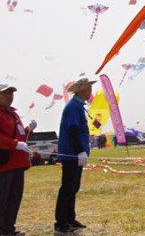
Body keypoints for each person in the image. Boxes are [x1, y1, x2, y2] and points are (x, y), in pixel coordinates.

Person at [0, 83, 35, 236]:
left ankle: (8, 229)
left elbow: (20, 137)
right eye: (5, 93)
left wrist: (28, 131)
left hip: (18, 163)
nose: (9, 96)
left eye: (11, 93)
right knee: (0, 200)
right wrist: (15, 144)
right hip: (4, 164)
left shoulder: (14, 114)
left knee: (14, 199)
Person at [54, 77, 95, 234]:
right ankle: (61, 221)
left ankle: (70, 218)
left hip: (76, 155)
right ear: (82, 91)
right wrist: (80, 151)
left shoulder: (78, 106)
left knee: (74, 187)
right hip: (71, 154)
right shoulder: (73, 107)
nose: (90, 92)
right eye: (88, 90)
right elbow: (72, 130)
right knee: (67, 188)